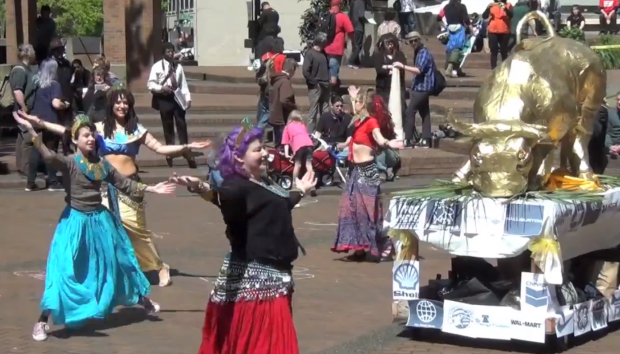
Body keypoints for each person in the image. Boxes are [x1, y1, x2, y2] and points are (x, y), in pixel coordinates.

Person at [13, 112, 173, 342]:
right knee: (62, 271)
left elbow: (124, 183)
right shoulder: (70, 162)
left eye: (92, 134)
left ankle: (141, 299)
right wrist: (32, 130)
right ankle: (42, 320)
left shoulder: (101, 164)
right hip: (75, 222)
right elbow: (48, 155)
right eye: (85, 135)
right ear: (75, 140)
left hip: (100, 221)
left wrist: (152, 189)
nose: (90, 138)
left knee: (119, 262)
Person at [31, 87, 211, 287]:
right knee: (108, 231)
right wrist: (41, 124)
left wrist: (186, 147)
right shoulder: (98, 128)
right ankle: (112, 271)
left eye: (126, 103)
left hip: (130, 185)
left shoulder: (137, 130)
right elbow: (69, 131)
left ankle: (159, 267)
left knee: (136, 230)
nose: (122, 106)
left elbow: (160, 148)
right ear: (111, 105)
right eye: (118, 102)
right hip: (105, 187)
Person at [167, 122, 317, 354]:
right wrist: (200, 187)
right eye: (258, 150)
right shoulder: (237, 187)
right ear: (238, 159)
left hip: (277, 280)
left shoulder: (265, 182)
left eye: (265, 148)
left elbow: (282, 203)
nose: (266, 153)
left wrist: (301, 190)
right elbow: (221, 196)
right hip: (258, 283)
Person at [332, 87, 402, 261]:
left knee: (369, 212)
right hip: (354, 171)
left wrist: (389, 143)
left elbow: (378, 138)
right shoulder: (357, 123)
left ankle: (385, 244)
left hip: (367, 171)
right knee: (351, 210)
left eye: (356, 102)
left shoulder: (371, 122)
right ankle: (359, 249)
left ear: (363, 105)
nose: (353, 105)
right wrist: (354, 96)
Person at [147, 42, 194, 168]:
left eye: (172, 51)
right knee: (167, 126)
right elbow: (150, 84)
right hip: (164, 99)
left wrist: (188, 98)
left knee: (181, 123)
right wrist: (161, 88)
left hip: (177, 98)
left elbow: (183, 84)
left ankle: (185, 148)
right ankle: (170, 150)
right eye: (168, 51)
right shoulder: (157, 66)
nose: (170, 53)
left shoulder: (178, 67)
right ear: (163, 54)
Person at [26, 58, 70, 192]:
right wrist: (65, 105)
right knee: (50, 151)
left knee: (35, 150)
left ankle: (30, 182)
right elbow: (55, 103)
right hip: (50, 121)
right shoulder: (54, 84)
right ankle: (52, 181)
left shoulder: (35, 83)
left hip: (35, 119)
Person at [396, 31, 438, 148]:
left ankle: (408, 140)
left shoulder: (423, 53)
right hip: (420, 87)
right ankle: (426, 139)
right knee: (425, 113)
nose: (413, 43)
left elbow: (419, 70)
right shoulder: (418, 52)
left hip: (423, 88)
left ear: (419, 40)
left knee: (410, 112)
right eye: (411, 41)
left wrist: (403, 66)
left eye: (415, 40)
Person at [9, 44, 38, 179]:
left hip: (25, 109)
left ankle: (21, 167)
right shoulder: (20, 70)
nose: (34, 52)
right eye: (32, 50)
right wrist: (23, 106)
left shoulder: (27, 69)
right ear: (27, 53)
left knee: (22, 138)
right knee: (27, 140)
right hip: (23, 109)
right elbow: (18, 90)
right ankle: (26, 170)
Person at [49, 39, 74, 155]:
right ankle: (52, 151)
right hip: (54, 100)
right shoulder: (49, 65)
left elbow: (71, 81)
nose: (59, 52)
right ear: (52, 52)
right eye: (56, 50)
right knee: (55, 128)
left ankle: (66, 149)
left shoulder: (68, 64)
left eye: (61, 49)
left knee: (67, 127)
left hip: (68, 99)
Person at [255, 36, 285, 129]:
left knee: (263, 109)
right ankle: (258, 130)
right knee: (271, 111)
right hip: (272, 86)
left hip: (263, 86)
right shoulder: (280, 57)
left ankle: (258, 129)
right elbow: (278, 73)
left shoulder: (265, 56)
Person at [302, 32, 330, 132]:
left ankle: (325, 133)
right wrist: (314, 82)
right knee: (313, 112)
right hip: (315, 87)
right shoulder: (310, 53)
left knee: (326, 111)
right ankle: (309, 135)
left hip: (325, 85)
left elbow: (327, 67)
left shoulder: (324, 53)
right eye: (325, 41)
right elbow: (305, 71)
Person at [324, 0, 354, 90]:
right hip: (336, 49)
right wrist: (353, 42)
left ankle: (327, 92)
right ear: (339, 5)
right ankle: (332, 94)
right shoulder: (342, 17)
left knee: (327, 70)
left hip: (324, 48)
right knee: (334, 71)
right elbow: (351, 31)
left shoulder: (325, 16)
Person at [437, 0, 471, 77]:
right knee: (458, 49)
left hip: (450, 29)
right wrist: (471, 28)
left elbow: (438, 18)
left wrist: (444, 26)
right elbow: (466, 20)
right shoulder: (462, 6)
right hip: (459, 30)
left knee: (450, 48)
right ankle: (450, 68)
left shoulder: (446, 7)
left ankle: (457, 69)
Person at [374, 34, 407, 110]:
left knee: (400, 108)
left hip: (398, 86)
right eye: (387, 43)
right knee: (383, 107)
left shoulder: (400, 55)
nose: (390, 46)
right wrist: (392, 69)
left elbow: (402, 67)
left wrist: (386, 66)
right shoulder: (379, 55)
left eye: (392, 43)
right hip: (383, 87)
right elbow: (379, 70)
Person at [269, 58, 298, 147]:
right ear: (292, 68)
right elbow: (284, 100)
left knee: (278, 145)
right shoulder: (285, 82)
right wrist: (293, 108)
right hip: (282, 119)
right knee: (283, 146)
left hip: (275, 117)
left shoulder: (277, 80)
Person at [282, 110, 315, 185]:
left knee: (298, 165)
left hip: (299, 146)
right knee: (309, 165)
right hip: (309, 144)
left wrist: (287, 154)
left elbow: (286, 143)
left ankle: (294, 182)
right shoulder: (302, 125)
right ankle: (311, 182)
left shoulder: (287, 127)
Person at [483, 0, 513, 70]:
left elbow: (511, 15)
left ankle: (505, 68)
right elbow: (484, 16)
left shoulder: (508, 5)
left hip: (504, 31)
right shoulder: (492, 5)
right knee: (494, 50)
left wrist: (505, 8)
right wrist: (488, 8)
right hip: (493, 31)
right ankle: (493, 68)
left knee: (504, 50)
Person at [347, 0, 367, 69]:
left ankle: (356, 62)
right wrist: (367, 20)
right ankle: (351, 61)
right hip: (358, 27)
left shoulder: (352, 2)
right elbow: (361, 15)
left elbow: (349, 15)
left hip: (352, 26)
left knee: (354, 45)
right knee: (358, 46)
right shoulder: (360, 2)